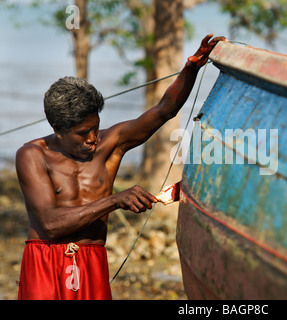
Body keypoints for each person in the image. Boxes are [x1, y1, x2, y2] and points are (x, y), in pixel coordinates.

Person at [15, 34, 228, 300]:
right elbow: (50, 224)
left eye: (95, 127)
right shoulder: (32, 155)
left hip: (92, 258)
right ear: (58, 129)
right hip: (45, 260)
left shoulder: (110, 144)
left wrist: (192, 68)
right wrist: (115, 200)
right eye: (83, 133)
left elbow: (164, 110)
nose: (93, 139)